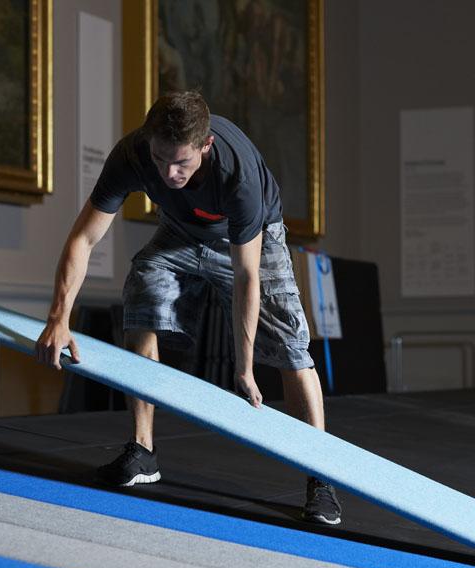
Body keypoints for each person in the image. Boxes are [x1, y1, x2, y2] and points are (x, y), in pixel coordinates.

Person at [34, 90, 342, 525]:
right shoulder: (134, 154)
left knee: (292, 350)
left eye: (182, 162)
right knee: (143, 286)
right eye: (161, 160)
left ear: (206, 146)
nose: (169, 172)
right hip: (181, 232)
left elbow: (246, 276)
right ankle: (143, 451)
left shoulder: (237, 174)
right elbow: (84, 238)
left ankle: (320, 477)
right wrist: (58, 319)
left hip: (252, 239)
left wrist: (244, 367)